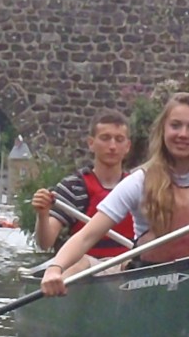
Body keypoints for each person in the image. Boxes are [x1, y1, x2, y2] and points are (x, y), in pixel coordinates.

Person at [40, 92, 189, 297]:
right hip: (151, 285)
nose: (183, 134)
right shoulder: (139, 180)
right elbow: (87, 236)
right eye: (175, 125)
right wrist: (54, 269)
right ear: (163, 130)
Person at [31, 109, 134, 275]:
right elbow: (45, 242)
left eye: (119, 139)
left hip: (127, 264)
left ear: (127, 146)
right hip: (86, 267)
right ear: (91, 143)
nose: (113, 146)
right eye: (105, 138)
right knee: (79, 262)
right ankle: (58, 290)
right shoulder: (73, 186)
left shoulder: (138, 186)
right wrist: (43, 215)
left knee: (139, 262)